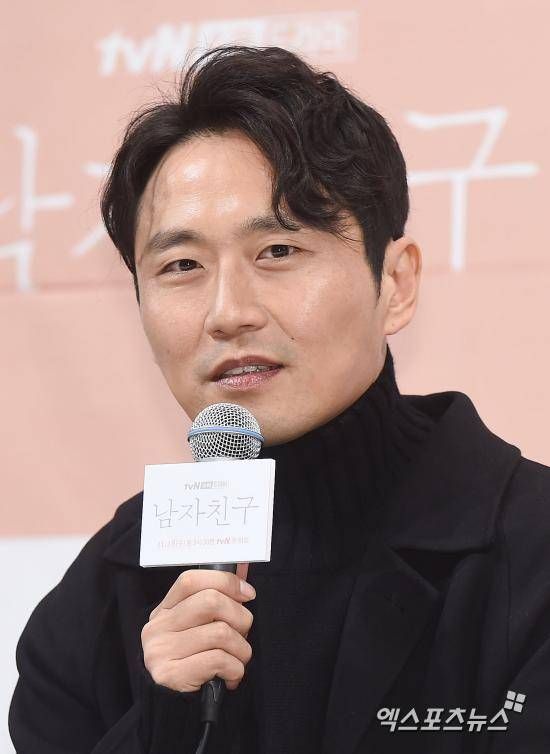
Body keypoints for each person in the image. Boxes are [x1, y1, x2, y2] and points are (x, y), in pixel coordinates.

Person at [8, 45, 550, 754]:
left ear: (395, 283)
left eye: (278, 252)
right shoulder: (98, 605)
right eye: (181, 265)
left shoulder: (530, 553)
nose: (228, 313)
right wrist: (162, 729)